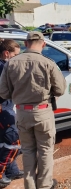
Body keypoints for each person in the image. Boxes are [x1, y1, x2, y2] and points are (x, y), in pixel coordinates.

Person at [0, 32, 66, 189]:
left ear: (26, 43)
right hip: (43, 112)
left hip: (22, 114)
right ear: (43, 44)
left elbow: (3, 92)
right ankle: (44, 185)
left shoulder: (11, 63)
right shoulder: (48, 62)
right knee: (45, 151)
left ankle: (30, 186)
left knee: (28, 151)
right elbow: (60, 89)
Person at [0, 39, 23, 188]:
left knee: (4, 142)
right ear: (7, 53)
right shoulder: (3, 68)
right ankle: (1, 174)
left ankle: (12, 170)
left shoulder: (5, 66)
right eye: (16, 55)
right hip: (3, 109)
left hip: (6, 108)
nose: (18, 59)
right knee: (14, 143)